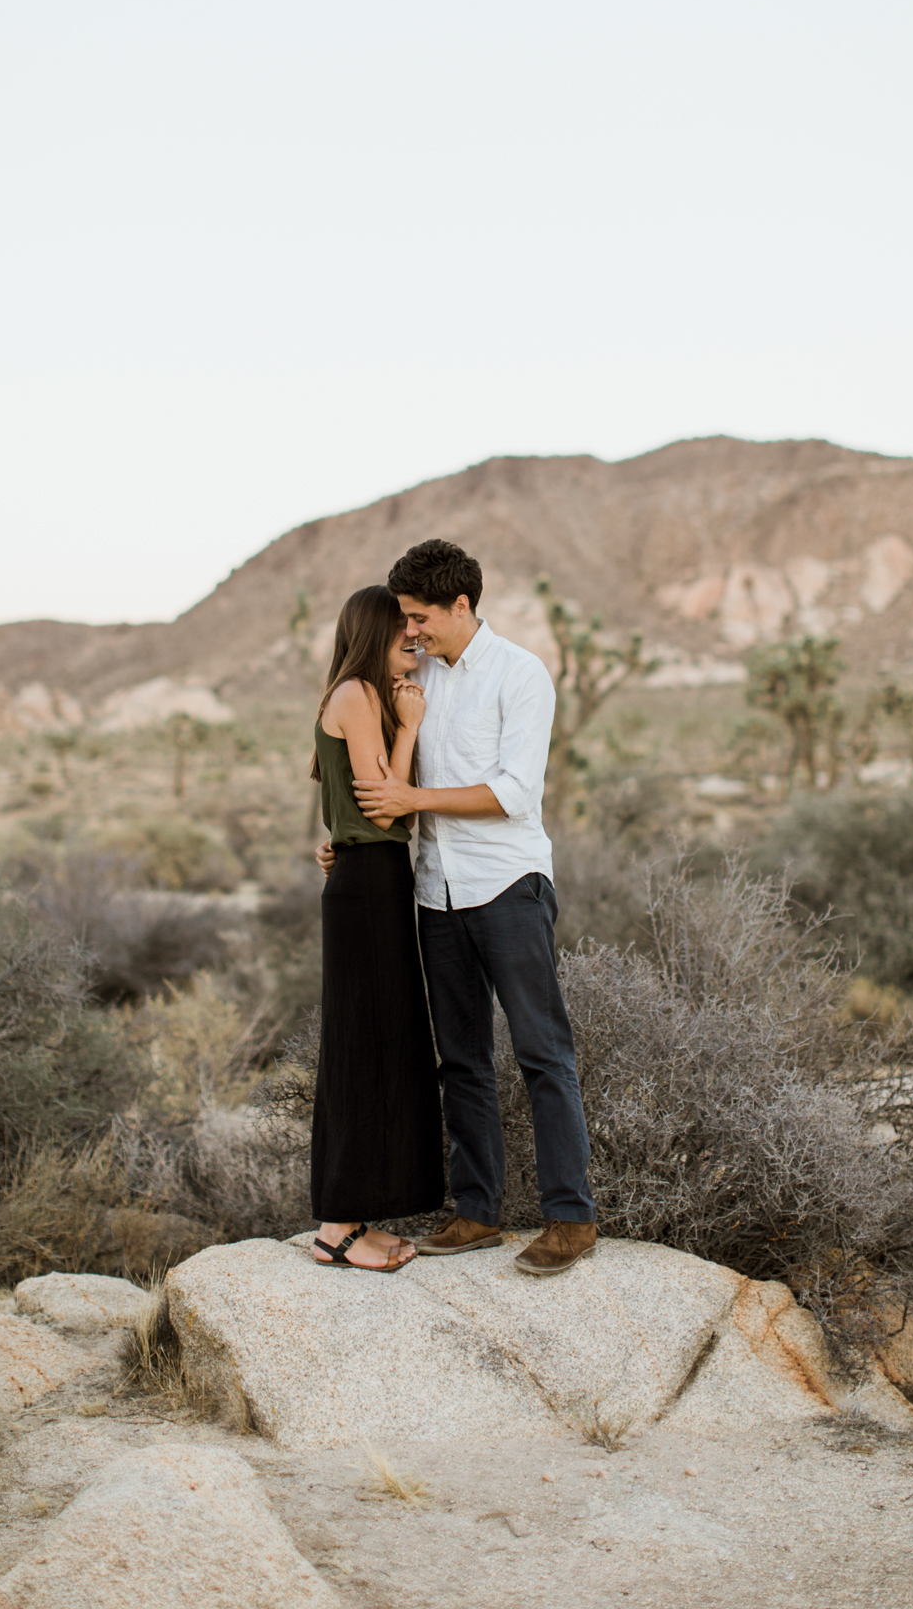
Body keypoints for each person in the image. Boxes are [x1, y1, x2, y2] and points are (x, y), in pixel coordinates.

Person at [338, 538, 597, 1278]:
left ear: (461, 605)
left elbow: (513, 793)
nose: (410, 631)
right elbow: (384, 776)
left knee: (543, 1054)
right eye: (404, 620)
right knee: (459, 1061)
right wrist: (353, 841)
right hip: (436, 889)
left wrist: (410, 800)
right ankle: (478, 1211)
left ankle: (569, 1218)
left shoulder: (520, 675)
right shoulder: (413, 679)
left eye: (421, 616)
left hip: (507, 885)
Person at [308, 584, 445, 1272]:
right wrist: (411, 726)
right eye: (403, 638)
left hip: (373, 879)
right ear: (372, 637)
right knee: (362, 1044)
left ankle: (354, 1215)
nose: (414, 648)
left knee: (383, 1039)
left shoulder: (364, 695)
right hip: (368, 884)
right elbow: (387, 809)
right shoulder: (359, 697)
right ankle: (337, 1229)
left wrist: (337, 841)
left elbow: (353, 809)